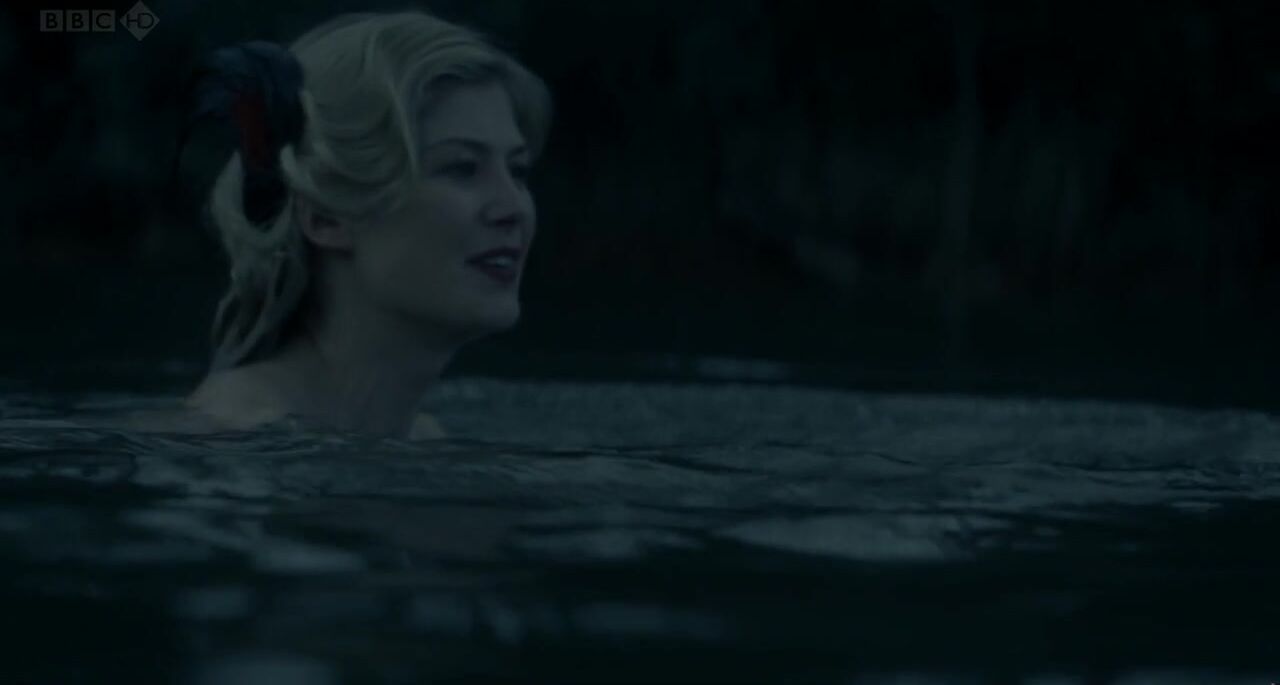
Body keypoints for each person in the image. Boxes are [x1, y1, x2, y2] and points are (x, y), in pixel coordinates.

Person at [179, 11, 554, 439]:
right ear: (325, 217)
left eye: (518, 171)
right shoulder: (240, 440)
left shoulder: (422, 437)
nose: (514, 207)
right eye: (462, 168)